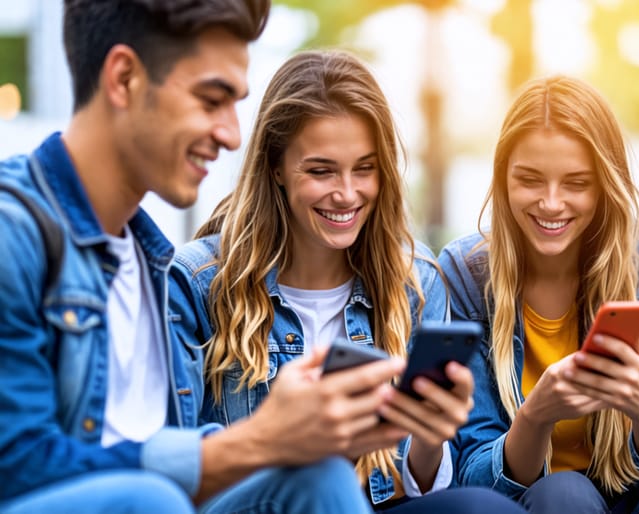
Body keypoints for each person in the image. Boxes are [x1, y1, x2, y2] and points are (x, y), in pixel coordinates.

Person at [0, 1, 388, 513]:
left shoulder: (150, 262)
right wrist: (259, 440)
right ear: (124, 79)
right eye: (211, 100)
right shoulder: (15, 233)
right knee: (151, 498)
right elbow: (16, 467)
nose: (231, 135)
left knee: (319, 478)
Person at [168, 49, 528, 514]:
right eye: (320, 171)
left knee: (484, 509)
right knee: (320, 476)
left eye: (364, 168)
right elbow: (178, 472)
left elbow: (424, 487)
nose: (346, 193)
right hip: (263, 507)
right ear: (275, 167)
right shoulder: (199, 283)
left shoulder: (415, 281)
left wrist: (428, 436)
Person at [439, 76, 639, 514]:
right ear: (502, 179)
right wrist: (536, 417)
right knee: (564, 494)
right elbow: (473, 473)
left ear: (605, 183)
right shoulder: (466, 274)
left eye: (577, 183)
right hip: (535, 503)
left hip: (637, 495)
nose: (552, 203)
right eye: (530, 180)